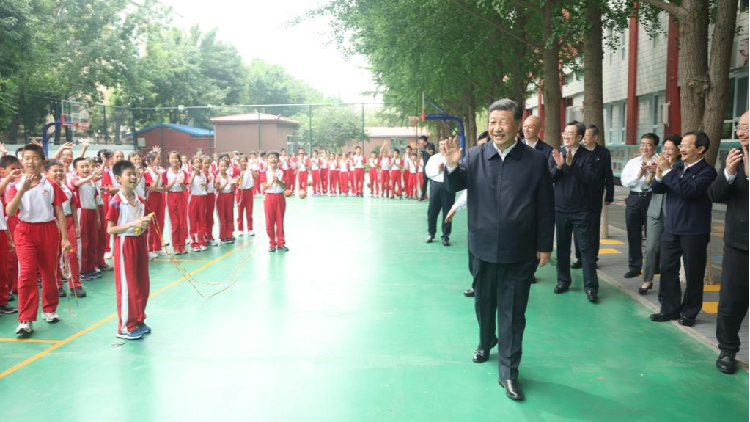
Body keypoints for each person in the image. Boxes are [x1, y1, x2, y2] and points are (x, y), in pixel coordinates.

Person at [444, 99, 554, 401]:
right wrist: (452, 165)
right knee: (484, 303)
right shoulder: (475, 156)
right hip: (481, 248)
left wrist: (544, 244)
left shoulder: (535, 161)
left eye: (503, 121)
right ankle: (485, 341)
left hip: (520, 250)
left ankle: (508, 372)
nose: (497, 128)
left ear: (517, 125)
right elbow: (455, 185)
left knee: (513, 313)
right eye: (492, 122)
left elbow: (545, 204)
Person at [650, 131, 717, 327]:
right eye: (681, 146)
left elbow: (688, 191)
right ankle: (669, 309)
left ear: (700, 149)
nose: (682, 149)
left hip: (694, 231)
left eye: (687, 146)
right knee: (667, 269)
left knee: (693, 274)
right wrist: (659, 175)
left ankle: (689, 312)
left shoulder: (708, 172)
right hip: (671, 228)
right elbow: (658, 189)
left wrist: (667, 171)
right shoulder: (677, 167)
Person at [7, 144, 71, 335]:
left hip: (48, 230)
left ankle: (49, 309)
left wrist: (65, 238)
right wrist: (22, 190)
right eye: (26, 158)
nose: (30, 162)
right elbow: (10, 211)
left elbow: (60, 211)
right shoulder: (15, 184)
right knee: (26, 273)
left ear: (42, 161)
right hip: (25, 231)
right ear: (22, 161)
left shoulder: (51, 185)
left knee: (49, 272)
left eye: (34, 158)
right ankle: (26, 319)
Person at [709, 111, 749, 374]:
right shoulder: (732, 157)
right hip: (738, 244)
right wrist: (729, 173)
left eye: (746, 127)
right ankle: (727, 349)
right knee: (731, 301)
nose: (741, 132)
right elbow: (715, 194)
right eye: (739, 127)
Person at [550, 121, 600, 303]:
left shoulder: (589, 157)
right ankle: (563, 281)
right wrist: (559, 166)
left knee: (586, 249)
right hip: (561, 209)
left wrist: (571, 165)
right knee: (562, 247)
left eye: (571, 133)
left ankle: (591, 287)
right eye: (565, 132)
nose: (566, 136)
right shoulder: (557, 154)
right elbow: (550, 177)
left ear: (579, 137)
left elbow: (590, 180)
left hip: (582, 211)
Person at [107, 160, 153, 340]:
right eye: (129, 174)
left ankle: (139, 319)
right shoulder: (116, 202)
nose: (133, 177)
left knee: (142, 284)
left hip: (140, 241)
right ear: (118, 178)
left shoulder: (140, 200)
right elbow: (110, 229)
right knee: (128, 286)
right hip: (125, 244)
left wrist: (145, 223)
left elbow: (141, 221)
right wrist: (132, 224)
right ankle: (125, 327)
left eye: (135, 173)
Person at [445, 132, 489, 298]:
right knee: (473, 259)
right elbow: (467, 190)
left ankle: (490, 289)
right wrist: (455, 207)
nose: (482, 149)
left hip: (497, 223)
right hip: (477, 222)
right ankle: (478, 285)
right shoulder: (475, 163)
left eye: (485, 145)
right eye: (480, 145)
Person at [639, 135, 680, 294]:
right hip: (655, 211)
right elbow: (648, 185)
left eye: (671, 148)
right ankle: (647, 280)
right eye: (665, 148)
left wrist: (667, 169)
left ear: (678, 150)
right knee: (650, 248)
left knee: (668, 251)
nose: (667, 151)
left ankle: (666, 284)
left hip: (673, 213)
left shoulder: (682, 166)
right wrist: (652, 172)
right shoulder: (658, 163)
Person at [572, 124, 615, 268]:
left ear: (595, 137)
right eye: (583, 136)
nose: (584, 138)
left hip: (595, 195)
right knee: (578, 227)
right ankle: (579, 258)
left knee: (593, 227)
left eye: (587, 136)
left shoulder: (603, 153)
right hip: (579, 194)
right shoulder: (579, 151)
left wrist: (609, 195)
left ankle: (592, 258)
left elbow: (608, 174)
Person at [621, 134, 659, 278]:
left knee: (652, 236)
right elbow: (625, 182)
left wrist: (652, 173)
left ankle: (653, 265)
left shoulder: (659, 162)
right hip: (634, 199)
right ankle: (634, 266)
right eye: (642, 144)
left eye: (648, 144)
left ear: (655, 147)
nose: (645, 147)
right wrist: (639, 174)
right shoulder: (633, 162)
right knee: (633, 235)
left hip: (652, 199)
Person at [46, 160, 85, 298]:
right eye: (55, 171)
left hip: (68, 223)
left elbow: (73, 208)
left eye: (60, 170)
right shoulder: (45, 189)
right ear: (46, 173)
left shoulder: (68, 189)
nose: (58, 173)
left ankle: (75, 285)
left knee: (71, 255)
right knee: (54, 256)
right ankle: (57, 285)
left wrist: (77, 226)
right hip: (51, 224)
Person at [424, 141, 456, 246]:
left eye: (445, 144)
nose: (444, 146)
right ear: (439, 147)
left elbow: (457, 171)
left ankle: (445, 236)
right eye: (441, 144)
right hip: (435, 185)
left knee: (448, 212)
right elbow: (428, 172)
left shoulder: (453, 157)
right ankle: (431, 233)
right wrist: (438, 170)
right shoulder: (434, 158)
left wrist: (448, 168)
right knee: (432, 211)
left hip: (448, 186)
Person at [163, 151, 188, 255]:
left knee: (182, 223)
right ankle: (176, 246)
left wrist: (182, 184)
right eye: (171, 158)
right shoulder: (165, 173)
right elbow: (165, 188)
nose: (174, 160)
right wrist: (171, 184)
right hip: (171, 196)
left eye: (176, 158)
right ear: (168, 160)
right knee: (175, 223)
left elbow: (185, 188)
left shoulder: (183, 173)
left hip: (181, 196)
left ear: (179, 160)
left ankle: (182, 245)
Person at [263, 152, 288, 252]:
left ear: (278, 160)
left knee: (280, 221)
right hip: (269, 197)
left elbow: (284, 186)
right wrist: (272, 182)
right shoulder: (265, 172)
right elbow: (264, 186)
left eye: (275, 158)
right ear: (267, 160)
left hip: (279, 197)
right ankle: (272, 243)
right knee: (269, 222)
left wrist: (278, 181)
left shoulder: (282, 172)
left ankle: (281, 243)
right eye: (270, 158)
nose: (273, 159)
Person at [187, 157, 208, 252]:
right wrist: (194, 175)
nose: (198, 164)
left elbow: (205, 189)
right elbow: (189, 183)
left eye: (199, 162)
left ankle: (201, 241)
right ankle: (194, 243)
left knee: (202, 221)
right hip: (194, 198)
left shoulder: (203, 174)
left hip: (202, 199)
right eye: (195, 163)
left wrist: (205, 185)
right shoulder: (190, 174)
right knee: (193, 221)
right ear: (192, 165)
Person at [215, 160, 237, 244]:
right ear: (218, 166)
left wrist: (233, 183)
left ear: (227, 167)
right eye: (221, 166)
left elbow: (232, 189)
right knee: (222, 217)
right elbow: (218, 189)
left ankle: (229, 235)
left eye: (225, 166)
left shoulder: (229, 176)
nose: (223, 168)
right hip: (221, 197)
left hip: (229, 196)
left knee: (229, 216)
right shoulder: (217, 177)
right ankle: (223, 236)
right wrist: (226, 183)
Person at [418, 135, 433, 201]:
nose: (419, 142)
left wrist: (427, 151)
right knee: (424, 182)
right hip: (425, 167)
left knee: (432, 182)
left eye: (420, 140)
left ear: (423, 140)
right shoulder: (423, 148)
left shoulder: (431, 145)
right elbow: (423, 158)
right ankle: (423, 196)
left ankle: (432, 196)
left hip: (431, 166)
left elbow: (432, 153)